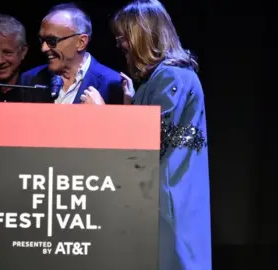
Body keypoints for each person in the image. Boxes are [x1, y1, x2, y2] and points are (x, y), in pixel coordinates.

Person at [81, 0, 211, 269]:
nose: (120, 46)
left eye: (123, 38)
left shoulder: (171, 76)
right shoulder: (159, 79)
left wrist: (103, 113)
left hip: (167, 200)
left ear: (141, 35)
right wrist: (131, 104)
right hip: (164, 198)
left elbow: (150, 141)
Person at [20, 3, 124, 104]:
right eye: (42, 40)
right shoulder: (28, 79)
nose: (43, 48)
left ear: (81, 42)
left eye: (52, 41)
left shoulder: (112, 83)